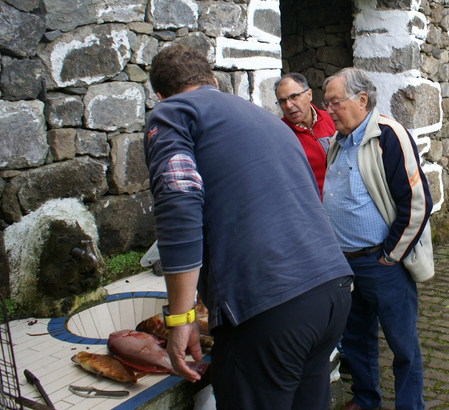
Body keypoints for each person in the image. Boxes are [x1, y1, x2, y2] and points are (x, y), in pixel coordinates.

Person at [143, 45, 353, 410]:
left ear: (159, 95)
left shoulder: (172, 113)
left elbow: (179, 202)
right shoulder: (268, 120)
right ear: (211, 81)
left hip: (269, 308)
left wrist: (180, 318)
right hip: (331, 292)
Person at [321, 67, 432, 410]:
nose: (329, 111)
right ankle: (367, 399)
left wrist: (390, 256)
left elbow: (416, 203)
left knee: (402, 344)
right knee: (356, 340)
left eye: (334, 102)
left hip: (382, 264)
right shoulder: (338, 143)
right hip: (345, 264)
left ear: (362, 100)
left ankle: (410, 406)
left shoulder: (389, 136)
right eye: (327, 103)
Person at [274, 73, 335, 197]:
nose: (289, 105)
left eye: (294, 97)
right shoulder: (278, 135)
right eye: (282, 101)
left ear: (309, 94)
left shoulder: (333, 120)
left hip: (340, 206)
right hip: (310, 209)